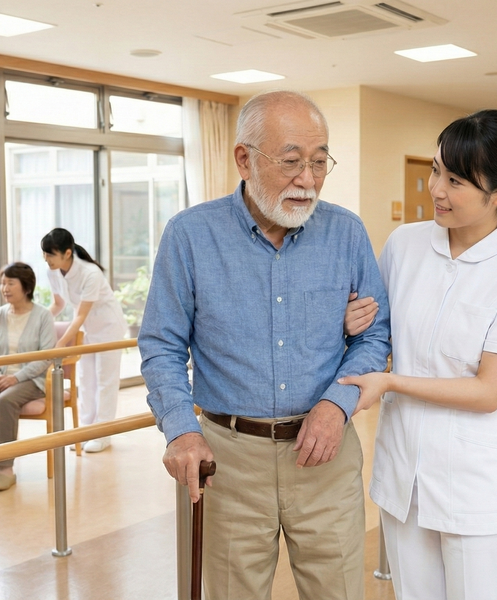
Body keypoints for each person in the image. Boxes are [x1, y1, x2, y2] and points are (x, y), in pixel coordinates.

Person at [139, 90, 391, 600]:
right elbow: (162, 345)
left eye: (320, 163)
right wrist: (181, 431)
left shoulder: (346, 233)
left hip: (326, 454)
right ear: (243, 158)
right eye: (292, 162)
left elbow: (375, 336)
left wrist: (337, 404)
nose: (308, 180)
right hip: (228, 460)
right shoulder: (190, 236)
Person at [340, 110, 497, 600]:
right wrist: (351, 323)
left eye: (455, 181)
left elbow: (487, 391)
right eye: (436, 170)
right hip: (402, 478)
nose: (437, 189)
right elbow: (378, 335)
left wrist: (392, 383)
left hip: (471, 483)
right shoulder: (404, 244)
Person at [0, 263, 56, 492]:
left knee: (5, 401)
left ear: (26, 287)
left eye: (10, 283)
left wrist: (16, 377)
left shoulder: (43, 316)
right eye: (3, 282)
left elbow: (46, 356)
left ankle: (6, 468)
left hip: (32, 379)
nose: (4, 288)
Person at [42, 228, 127, 453]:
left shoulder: (90, 273)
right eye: (45, 254)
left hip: (108, 327)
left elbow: (80, 315)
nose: (46, 259)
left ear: (67, 253)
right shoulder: (53, 272)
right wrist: (38, 322)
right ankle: (85, 431)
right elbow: (58, 305)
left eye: (50, 254)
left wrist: (60, 345)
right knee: (85, 378)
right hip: (88, 330)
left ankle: (103, 433)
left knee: (104, 380)